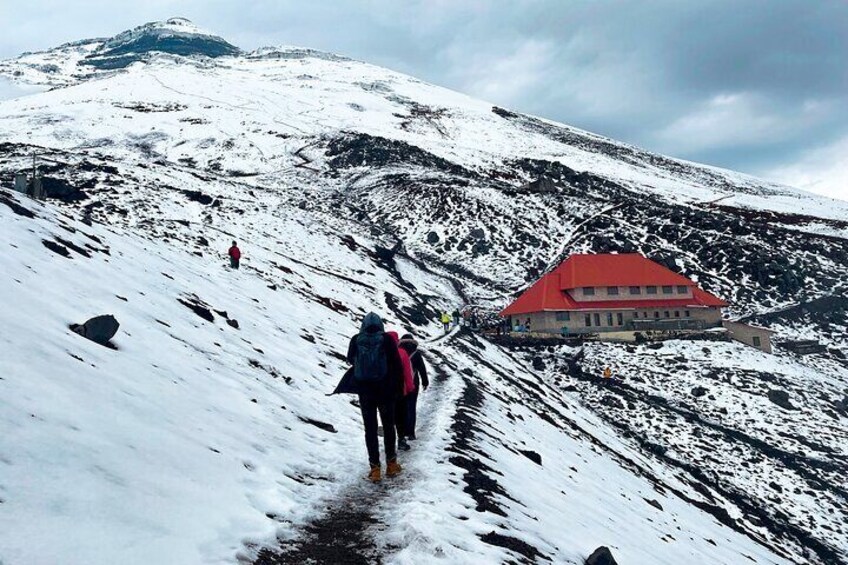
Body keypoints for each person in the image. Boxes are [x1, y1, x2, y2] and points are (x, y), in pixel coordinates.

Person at [347, 313, 405, 482]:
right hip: (386, 392)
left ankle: (375, 469)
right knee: (388, 427)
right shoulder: (387, 339)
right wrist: (398, 389)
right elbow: (396, 364)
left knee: (370, 429)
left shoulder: (356, 339)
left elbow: (350, 358)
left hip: (365, 392)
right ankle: (392, 464)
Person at [387, 331, 414, 451]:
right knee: (400, 417)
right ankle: (401, 440)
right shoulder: (402, 353)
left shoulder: (381, 351)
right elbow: (407, 374)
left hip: (384, 392)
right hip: (399, 391)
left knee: (388, 418)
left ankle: (389, 442)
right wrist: (410, 388)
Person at [398, 334, 428, 441]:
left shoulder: (399, 352)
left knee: (401, 407)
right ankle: (410, 433)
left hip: (400, 384)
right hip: (414, 384)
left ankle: (402, 432)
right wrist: (425, 382)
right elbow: (422, 369)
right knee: (411, 407)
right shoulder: (416, 354)